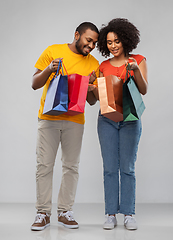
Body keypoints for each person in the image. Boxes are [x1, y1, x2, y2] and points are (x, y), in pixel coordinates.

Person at [31, 22, 99, 231]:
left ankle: (64, 212)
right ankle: (43, 213)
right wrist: (50, 68)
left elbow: (91, 102)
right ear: (77, 35)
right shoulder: (53, 51)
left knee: (71, 166)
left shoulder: (94, 64)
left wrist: (91, 86)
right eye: (89, 40)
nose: (91, 46)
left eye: (95, 43)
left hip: (75, 121)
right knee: (44, 165)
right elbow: (35, 83)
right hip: (48, 119)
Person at [91, 18, 148, 230]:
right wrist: (92, 87)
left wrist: (135, 70)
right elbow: (97, 98)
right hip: (106, 119)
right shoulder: (102, 66)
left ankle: (129, 213)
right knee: (109, 168)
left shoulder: (138, 60)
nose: (113, 46)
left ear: (125, 40)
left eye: (116, 41)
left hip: (130, 120)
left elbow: (143, 90)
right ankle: (110, 213)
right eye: (109, 42)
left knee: (128, 168)